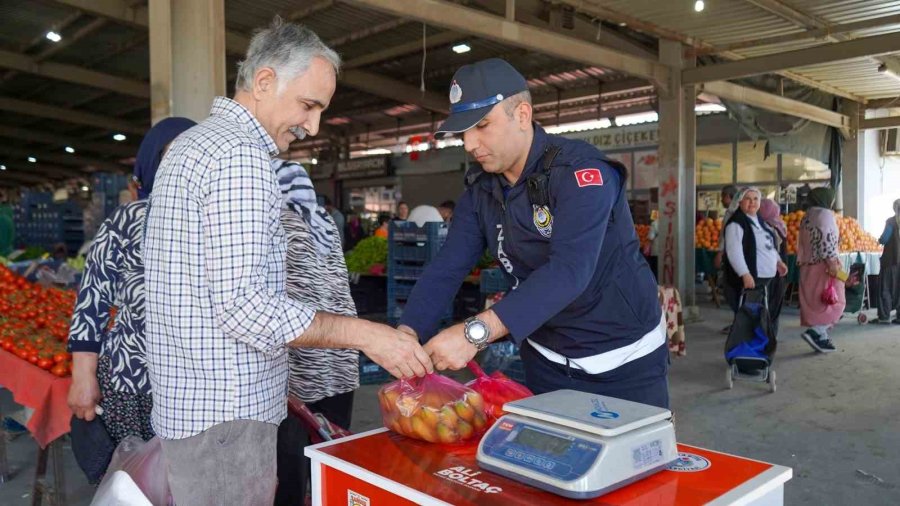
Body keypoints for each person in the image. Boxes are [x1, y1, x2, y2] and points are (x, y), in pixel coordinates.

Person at [142, 19, 431, 505]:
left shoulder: (194, 145)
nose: (312, 126)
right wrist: (367, 334)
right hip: (227, 420)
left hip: (192, 406)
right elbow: (246, 308)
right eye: (309, 105)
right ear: (264, 82)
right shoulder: (241, 156)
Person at [397, 58, 668, 408]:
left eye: (482, 125)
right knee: (549, 458)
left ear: (522, 115)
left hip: (624, 358)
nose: (469, 144)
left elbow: (570, 271)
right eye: (463, 132)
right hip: (546, 359)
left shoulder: (581, 173)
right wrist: (408, 332)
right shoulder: (480, 193)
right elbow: (447, 268)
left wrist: (473, 334)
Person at [67, 118, 197, 479]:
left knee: (174, 484)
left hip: (183, 384)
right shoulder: (129, 219)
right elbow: (92, 301)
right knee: (147, 483)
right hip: (141, 383)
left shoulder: (218, 220)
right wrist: (83, 376)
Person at [272, 159, 359, 505]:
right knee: (331, 450)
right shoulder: (323, 223)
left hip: (300, 363)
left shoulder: (275, 224)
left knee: (290, 462)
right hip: (340, 356)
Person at [722, 189, 787, 324]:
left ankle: (763, 341)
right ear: (740, 202)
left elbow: (768, 245)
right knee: (750, 316)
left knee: (762, 315)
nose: (752, 202)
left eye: (755, 199)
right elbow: (734, 251)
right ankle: (750, 343)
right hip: (752, 279)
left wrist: (778, 261)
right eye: (748, 199)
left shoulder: (759, 221)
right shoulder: (736, 223)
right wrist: (744, 273)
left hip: (765, 278)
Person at [797, 187, 843, 353]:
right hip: (825, 266)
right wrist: (832, 264)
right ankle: (816, 331)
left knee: (816, 301)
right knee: (835, 300)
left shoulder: (808, 215)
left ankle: (822, 337)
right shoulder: (825, 214)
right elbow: (827, 241)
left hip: (808, 265)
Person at [757, 198, 788, 324]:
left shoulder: (766, 227)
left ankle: (765, 335)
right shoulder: (780, 224)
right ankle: (770, 335)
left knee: (766, 303)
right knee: (774, 303)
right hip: (779, 270)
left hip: (770, 269)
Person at [874, 199, 900, 324]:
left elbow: (884, 239)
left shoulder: (891, 222)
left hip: (890, 261)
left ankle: (885, 316)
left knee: (886, 288)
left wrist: (878, 241)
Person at [713, 184, 739, 270]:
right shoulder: (737, 210)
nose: (721, 200)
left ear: (728, 196)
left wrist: (720, 253)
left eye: (722, 197)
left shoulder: (732, 212)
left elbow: (727, 234)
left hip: (731, 254)